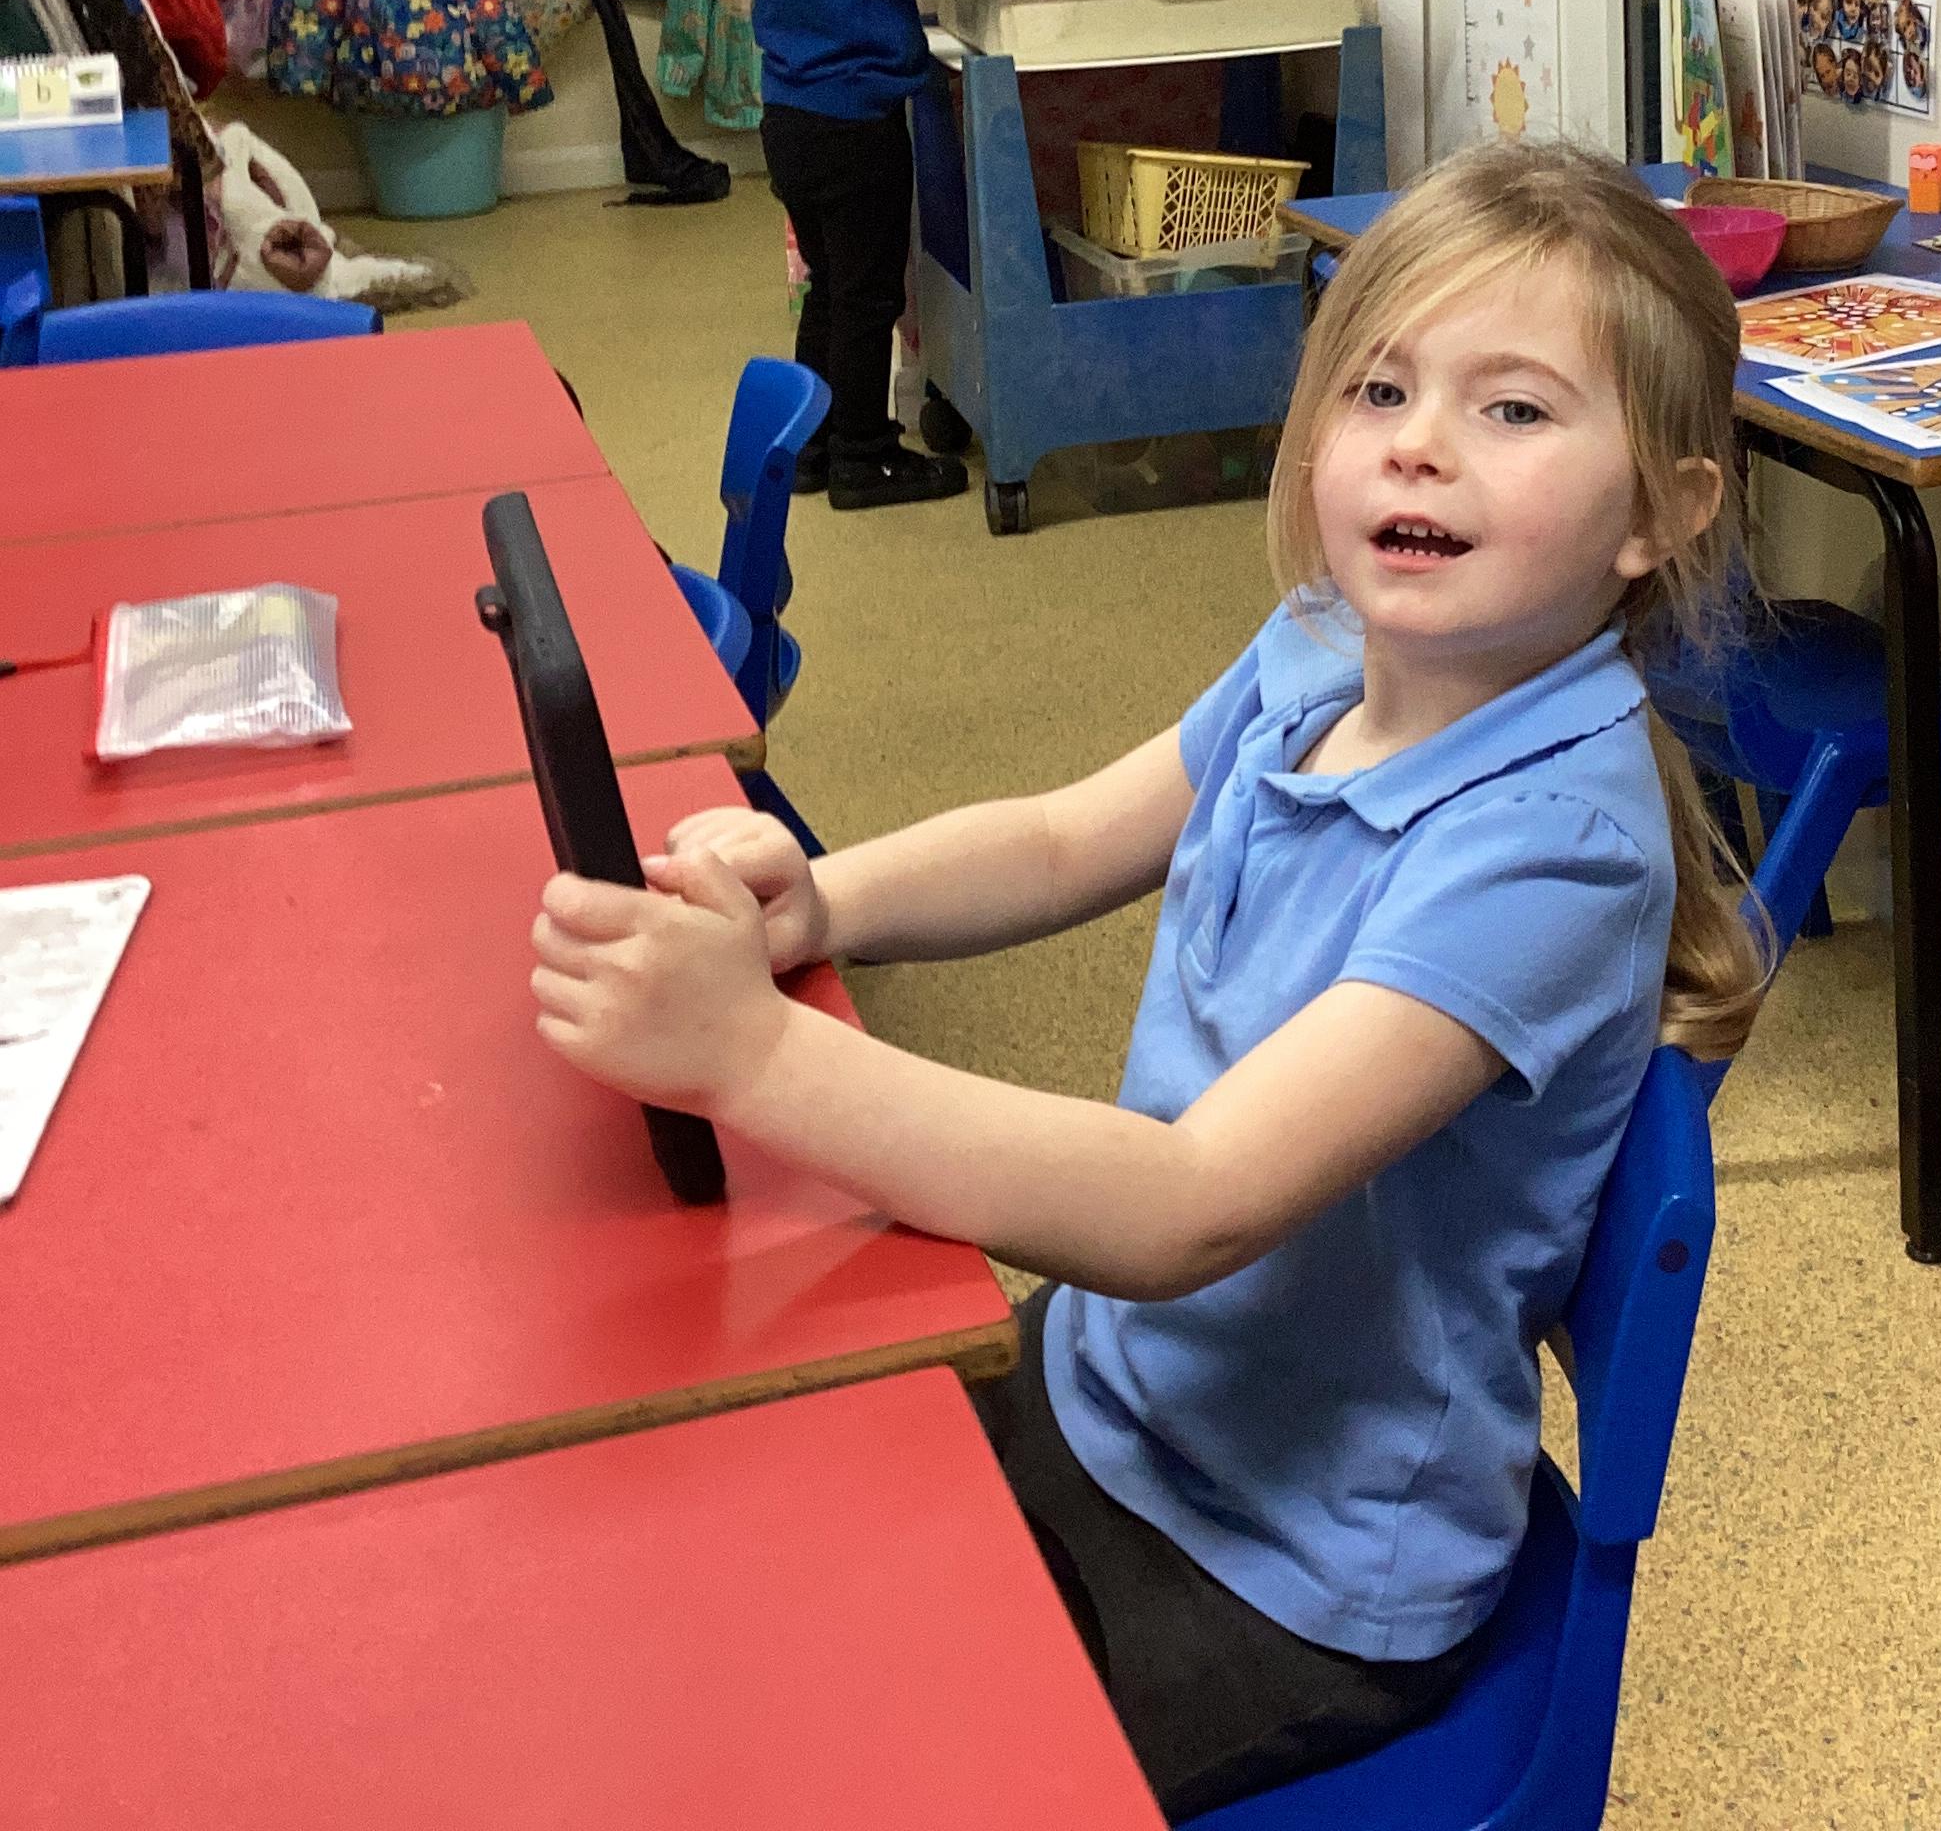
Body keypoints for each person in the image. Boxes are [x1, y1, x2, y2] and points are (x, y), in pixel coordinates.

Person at [527, 140, 1765, 1816]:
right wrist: (823, 903)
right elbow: (1059, 837)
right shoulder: (1323, 647)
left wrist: (754, 1058)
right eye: (1381, 386)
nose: (1419, 439)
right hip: (1109, 1386)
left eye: (1514, 408)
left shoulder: (1550, 850)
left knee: (861, 1769)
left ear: (1663, 513)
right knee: (731, 1592)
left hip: (1290, 1563)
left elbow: (1193, 1204)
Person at [715, 0, 1045, 510]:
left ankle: (814, 444)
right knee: (868, 297)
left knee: (831, 290)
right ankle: (864, 457)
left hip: (796, 126)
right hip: (854, 129)